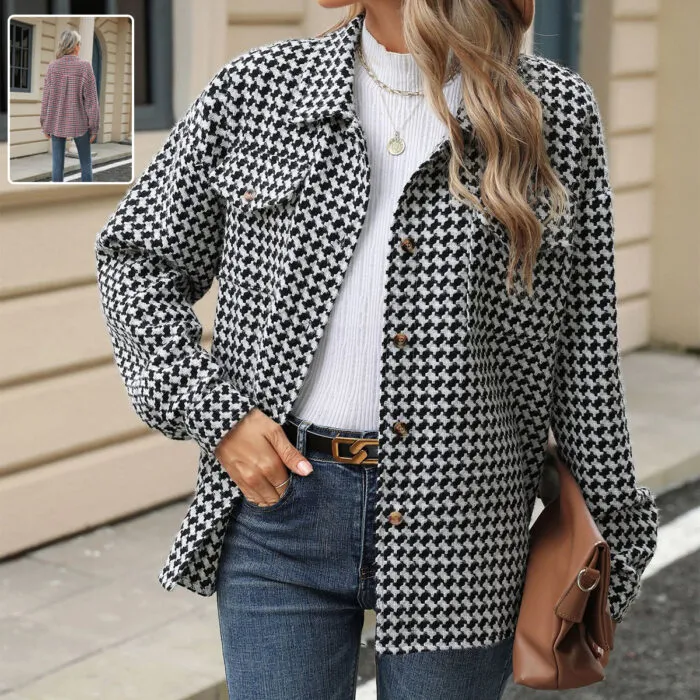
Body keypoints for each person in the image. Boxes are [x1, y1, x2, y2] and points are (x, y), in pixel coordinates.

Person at [94, 1, 659, 699]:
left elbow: (584, 354)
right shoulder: (258, 90)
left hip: (464, 522)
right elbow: (136, 257)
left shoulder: (552, 113)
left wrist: (615, 536)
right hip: (282, 510)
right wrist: (219, 416)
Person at [40, 29, 99, 182]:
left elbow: (46, 99)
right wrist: (94, 127)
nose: (79, 46)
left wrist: (45, 124)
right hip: (80, 123)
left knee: (56, 165)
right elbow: (92, 101)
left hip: (56, 122)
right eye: (79, 43)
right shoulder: (85, 67)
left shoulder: (52, 67)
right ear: (75, 46)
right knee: (86, 164)